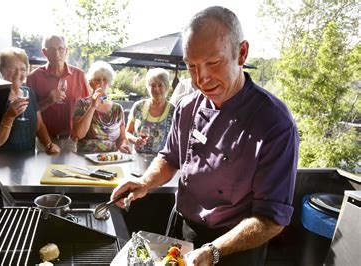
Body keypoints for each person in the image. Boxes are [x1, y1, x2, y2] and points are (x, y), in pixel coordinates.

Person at [111, 6, 299, 266]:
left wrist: (214, 251)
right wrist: (144, 182)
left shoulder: (274, 124)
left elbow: (271, 219)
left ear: (241, 53)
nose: (201, 79)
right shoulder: (188, 107)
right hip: (182, 229)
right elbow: (169, 157)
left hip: (234, 247)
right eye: (192, 66)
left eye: (213, 63)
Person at [26, 35, 89, 151]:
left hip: (72, 141)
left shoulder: (79, 75)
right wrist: (48, 101)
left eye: (60, 48)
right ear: (45, 52)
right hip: (44, 141)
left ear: (66, 50)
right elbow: (28, 114)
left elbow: (87, 107)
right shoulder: (33, 78)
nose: (57, 54)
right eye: (52, 49)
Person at [0, 47, 60, 154]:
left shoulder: (28, 92)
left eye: (22, 69)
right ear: (1, 70)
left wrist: (49, 144)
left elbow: (39, 125)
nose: (18, 73)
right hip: (2, 164)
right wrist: (9, 116)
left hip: (28, 161)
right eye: (12, 68)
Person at [73, 61, 131, 153]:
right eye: (97, 79)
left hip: (111, 159)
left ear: (110, 83)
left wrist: (123, 145)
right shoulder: (82, 104)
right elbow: (78, 134)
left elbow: (122, 138)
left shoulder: (117, 108)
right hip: (86, 159)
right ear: (91, 83)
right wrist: (93, 106)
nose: (101, 83)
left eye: (105, 79)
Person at [126, 68, 175, 154]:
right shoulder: (138, 106)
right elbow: (126, 132)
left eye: (160, 85)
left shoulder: (173, 110)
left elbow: (177, 140)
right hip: (138, 158)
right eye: (152, 85)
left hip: (162, 161)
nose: (156, 89)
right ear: (148, 87)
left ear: (166, 87)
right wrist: (135, 140)